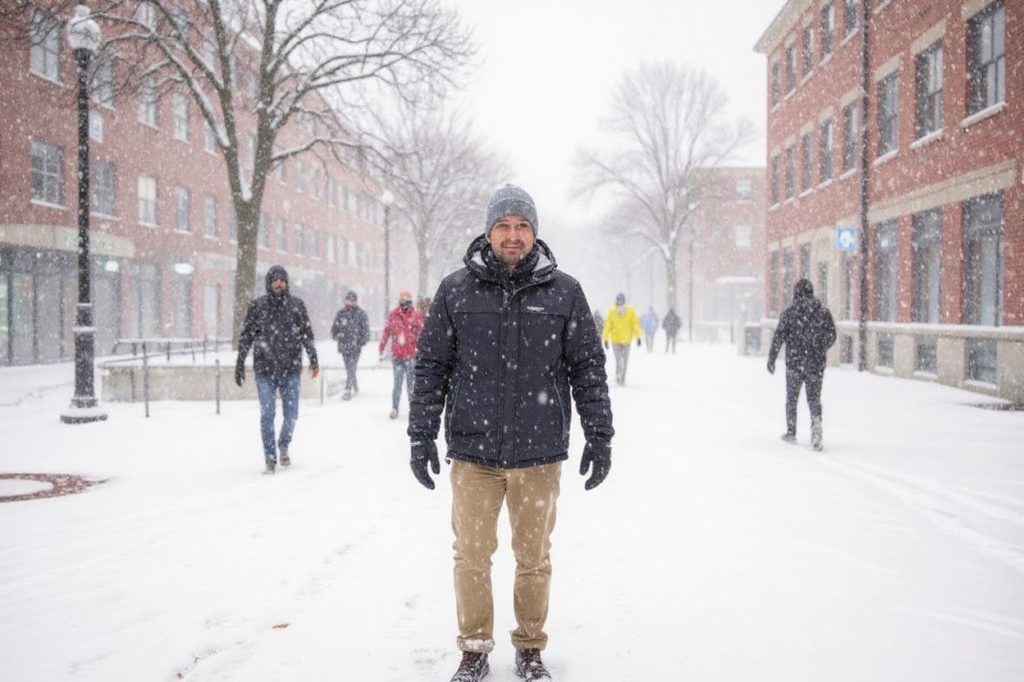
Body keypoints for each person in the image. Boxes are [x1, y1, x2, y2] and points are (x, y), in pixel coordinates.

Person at [408, 183, 613, 682]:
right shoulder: (456, 291)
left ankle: (529, 646)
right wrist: (420, 435)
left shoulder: (564, 292)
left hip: (539, 455)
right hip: (474, 454)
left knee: (534, 557)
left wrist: (600, 434)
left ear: (535, 233)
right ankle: (475, 647)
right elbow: (431, 365)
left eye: (522, 226)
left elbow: (587, 366)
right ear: (488, 231)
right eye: (503, 226)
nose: (513, 235)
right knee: (472, 555)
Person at [235, 265, 319, 474]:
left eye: (282, 280)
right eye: (275, 280)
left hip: (290, 370)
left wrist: (313, 358)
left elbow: (307, 335)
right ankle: (270, 457)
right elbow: (247, 337)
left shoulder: (297, 306)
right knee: (267, 414)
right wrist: (240, 362)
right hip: (265, 371)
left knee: (292, 415)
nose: (279, 283)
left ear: (287, 282)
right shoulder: (258, 307)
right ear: (269, 283)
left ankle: (283, 443)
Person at [767, 278, 837, 451]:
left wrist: (772, 358)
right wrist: (820, 346)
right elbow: (832, 334)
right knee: (814, 398)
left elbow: (779, 336)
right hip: (815, 363)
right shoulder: (822, 311)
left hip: (794, 363)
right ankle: (816, 426)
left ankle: (791, 430)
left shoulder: (790, 312)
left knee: (792, 398)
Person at [378, 290, 424, 420]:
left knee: (411, 384)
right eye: (403, 302)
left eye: (407, 302)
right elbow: (387, 331)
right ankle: (395, 407)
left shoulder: (416, 315)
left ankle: (413, 408)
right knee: (397, 383)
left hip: (411, 355)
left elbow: (422, 333)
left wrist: (422, 349)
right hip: (398, 355)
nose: (405, 305)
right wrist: (382, 345)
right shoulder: (393, 315)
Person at [330, 290, 370, 400]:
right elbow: (334, 330)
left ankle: (348, 389)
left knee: (351, 366)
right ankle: (354, 384)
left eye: (353, 300)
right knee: (349, 367)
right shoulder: (341, 314)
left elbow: (365, 331)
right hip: (344, 346)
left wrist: (361, 341)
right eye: (349, 300)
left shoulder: (361, 314)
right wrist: (338, 336)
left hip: (356, 347)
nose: (350, 303)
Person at [601, 292, 643, 385]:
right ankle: (618, 375)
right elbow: (608, 325)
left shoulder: (631, 311)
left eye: (621, 301)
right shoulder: (612, 311)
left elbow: (635, 324)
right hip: (615, 341)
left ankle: (622, 377)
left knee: (625, 360)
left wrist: (638, 337)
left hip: (626, 341)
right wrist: (605, 338)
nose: (620, 303)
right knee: (619, 360)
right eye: (618, 301)